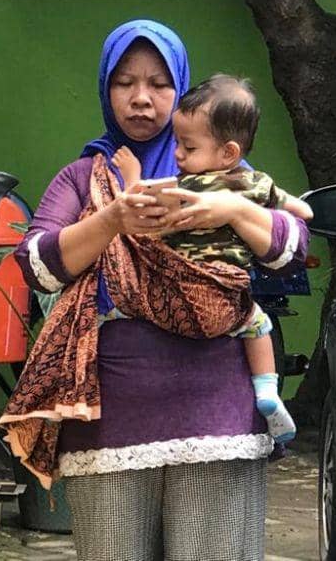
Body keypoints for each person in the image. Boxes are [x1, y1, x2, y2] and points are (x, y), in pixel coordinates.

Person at [1, 20, 309, 561]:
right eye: (124, 82)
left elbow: (291, 249)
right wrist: (112, 218)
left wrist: (233, 209)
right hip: (110, 418)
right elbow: (38, 267)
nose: (141, 98)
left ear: (181, 89)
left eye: (159, 84)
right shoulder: (83, 178)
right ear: (105, 88)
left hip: (216, 416)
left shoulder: (225, 173)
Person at [110, 73, 312, 445]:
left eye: (188, 148)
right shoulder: (256, 183)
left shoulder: (182, 187)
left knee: (136, 300)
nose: (178, 156)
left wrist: (132, 176)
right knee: (258, 323)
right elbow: (302, 211)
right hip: (227, 298)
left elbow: (143, 212)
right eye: (178, 145)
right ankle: (267, 390)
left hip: (181, 295)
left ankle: (121, 313)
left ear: (228, 152)